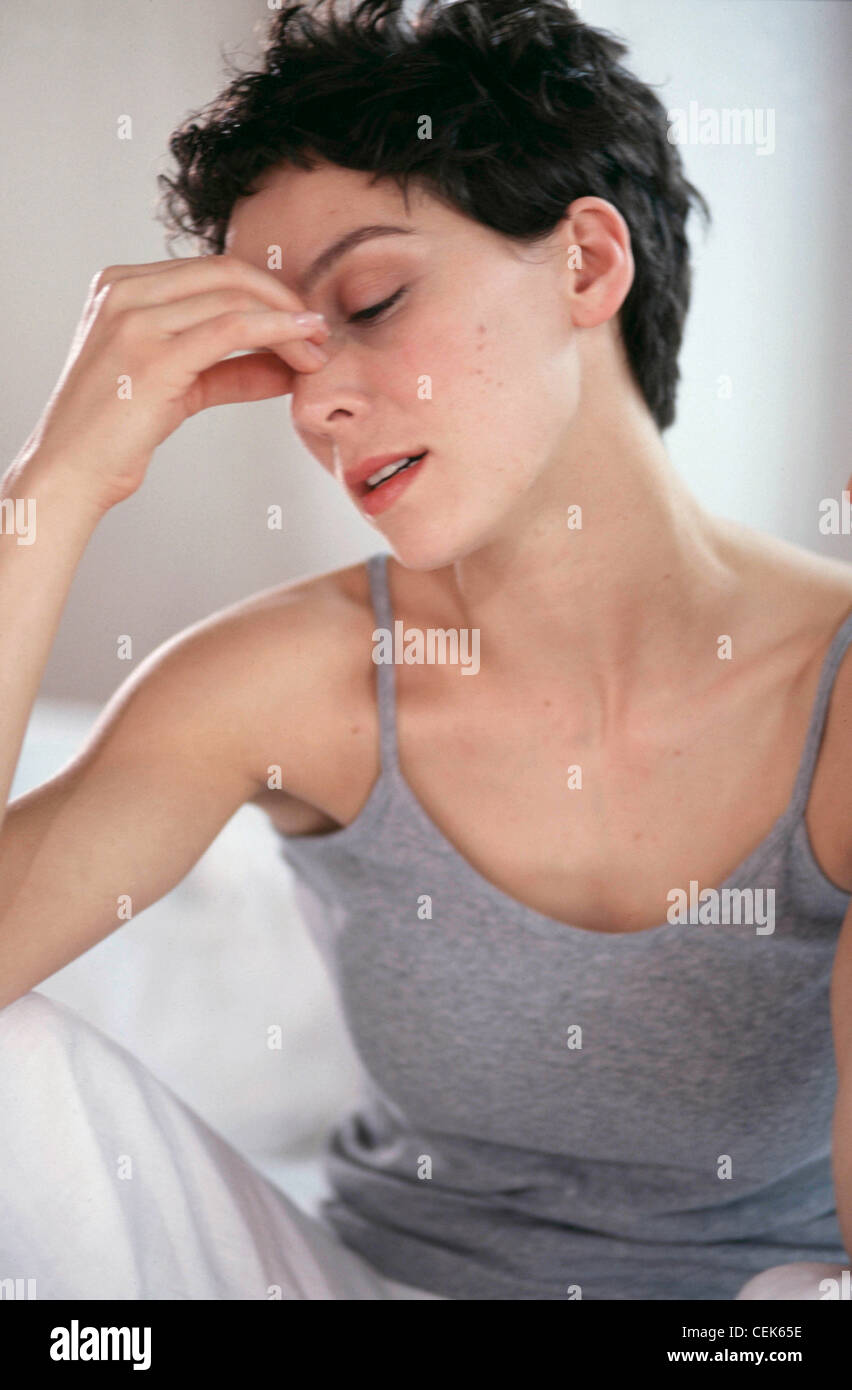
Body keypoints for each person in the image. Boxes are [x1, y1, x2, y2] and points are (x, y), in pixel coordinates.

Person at [1, 0, 850, 1302]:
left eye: (373, 299)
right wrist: (54, 486)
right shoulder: (288, 678)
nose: (322, 399)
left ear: (584, 265)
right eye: (283, 353)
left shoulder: (833, 690)